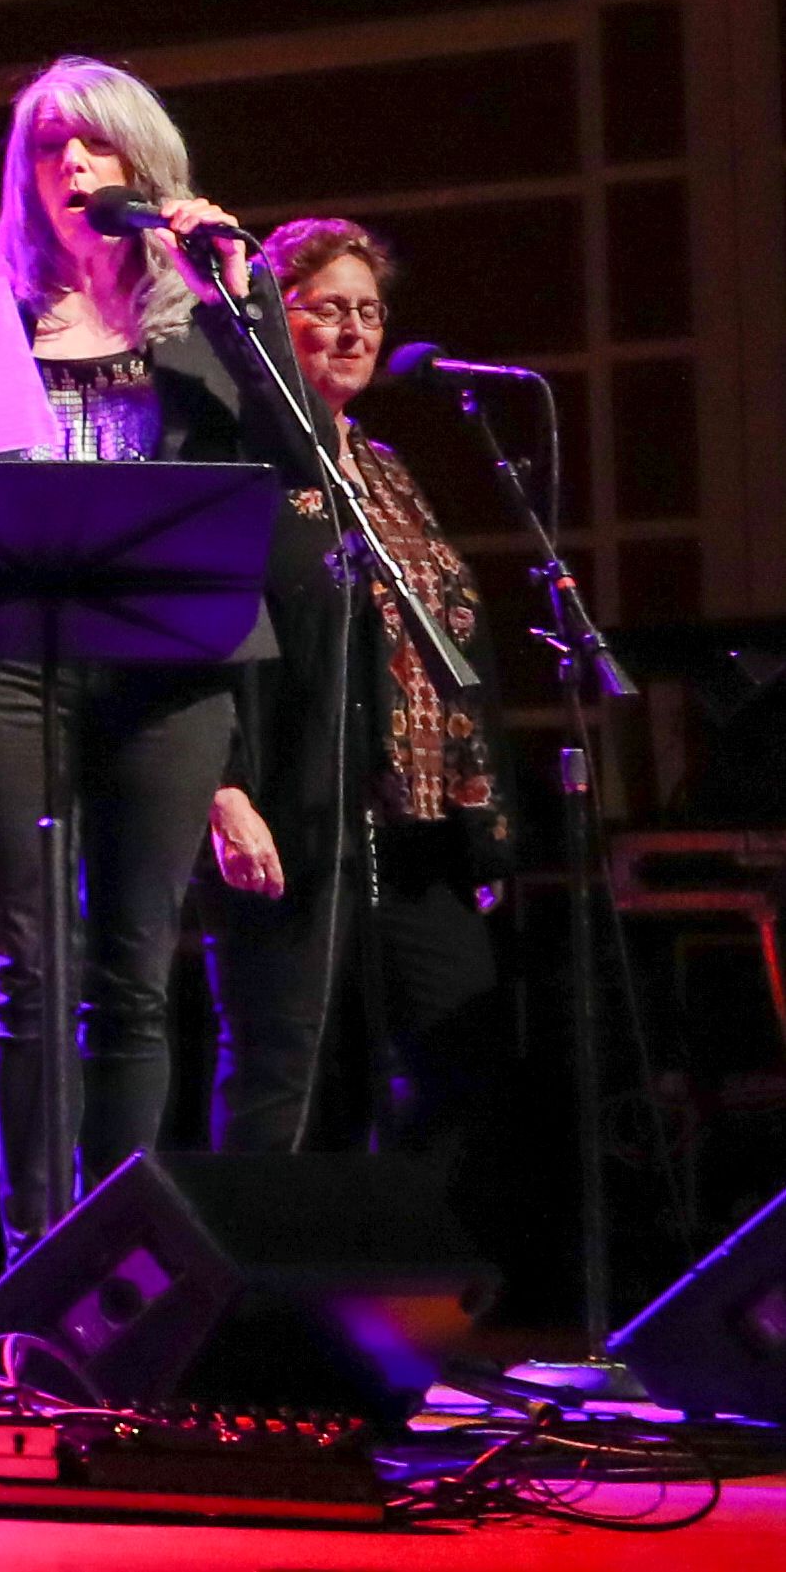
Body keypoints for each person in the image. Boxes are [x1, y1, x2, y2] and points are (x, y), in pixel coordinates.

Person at [0, 56, 293, 1250]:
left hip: (164, 656)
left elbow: (287, 464)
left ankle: (123, 1256)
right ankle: (30, 1257)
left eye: (94, 143)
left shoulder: (205, 311)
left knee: (135, 968)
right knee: (26, 964)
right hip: (2, 644)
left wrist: (243, 297)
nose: (72, 166)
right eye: (50, 145)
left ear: (144, 162)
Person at [210, 219, 505, 1155]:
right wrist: (224, 793)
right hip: (297, 815)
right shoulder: (240, 469)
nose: (354, 331)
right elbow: (204, 641)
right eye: (328, 308)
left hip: (419, 832)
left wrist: (479, 829)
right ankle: (256, 1287)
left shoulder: (380, 471)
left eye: (368, 311)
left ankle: (399, 1274)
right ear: (271, 320)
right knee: (285, 1073)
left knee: (466, 1052)